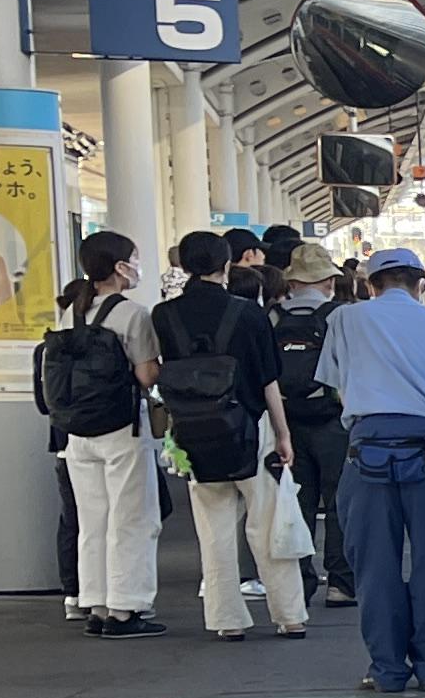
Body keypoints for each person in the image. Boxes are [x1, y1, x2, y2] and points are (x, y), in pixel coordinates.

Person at [315, 244, 425, 693]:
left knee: (374, 565)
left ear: (371, 285)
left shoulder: (344, 320)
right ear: (420, 283)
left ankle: (387, 670)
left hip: (366, 450)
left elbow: (337, 386)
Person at [150, 230, 307, 643]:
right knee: (268, 523)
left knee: (213, 530)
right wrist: (284, 434)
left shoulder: (164, 315)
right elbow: (268, 380)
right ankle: (289, 615)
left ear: (185, 266)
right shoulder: (249, 313)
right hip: (250, 428)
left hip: (192, 432)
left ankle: (226, 619)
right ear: (226, 265)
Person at [35, 230, 166, 637]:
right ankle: (126, 609)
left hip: (77, 432)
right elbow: (146, 375)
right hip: (121, 428)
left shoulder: (71, 312)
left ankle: (97, 603)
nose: (139, 265)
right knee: (131, 518)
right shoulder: (132, 314)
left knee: (92, 521)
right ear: (120, 266)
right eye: (135, 258)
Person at [267, 242, 361, 611]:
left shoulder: (272, 317)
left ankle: (299, 586)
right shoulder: (341, 315)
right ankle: (340, 584)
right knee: (340, 501)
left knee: (296, 503)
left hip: (286, 423)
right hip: (333, 420)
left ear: (291, 282)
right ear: (329, 281)